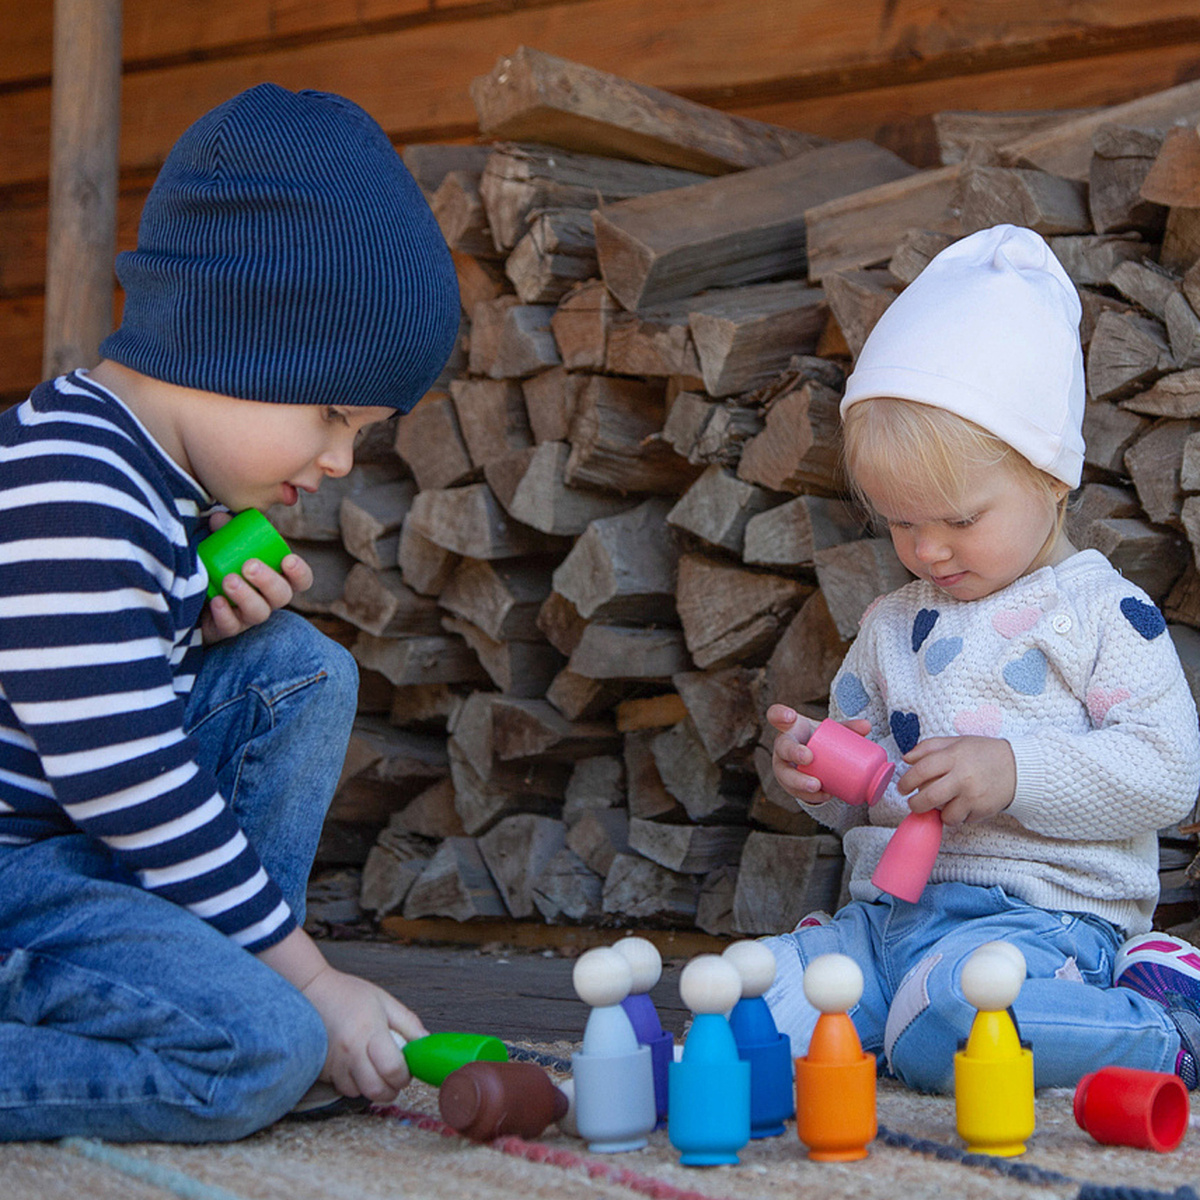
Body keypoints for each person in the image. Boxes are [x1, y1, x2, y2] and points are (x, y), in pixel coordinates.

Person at [0, 83, 461, 1140]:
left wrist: (190, 624)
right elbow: (122, 773)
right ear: (239, 339)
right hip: (15, 874)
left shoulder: (143, 475)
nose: (341, 461)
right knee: (258, 1052)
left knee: (296, 666)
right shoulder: (74, 487)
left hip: (54, 846)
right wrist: (308, 977)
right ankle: (254, 995)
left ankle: (220, 969)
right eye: (332, 413)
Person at [763, 223, 1200, 1094]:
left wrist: (1012, 772)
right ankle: (900, 1008)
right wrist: (821, 775)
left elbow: (1168, 774)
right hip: (888, 917)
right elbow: (880, 796)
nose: (928, 549)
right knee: (753, 1009)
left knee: (953, 1025)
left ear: (1050, 479)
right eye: (900, 521)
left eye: (959, 520)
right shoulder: (893, 623)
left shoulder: (1098, 612)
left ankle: (1164, 1024)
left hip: (1040, 923)